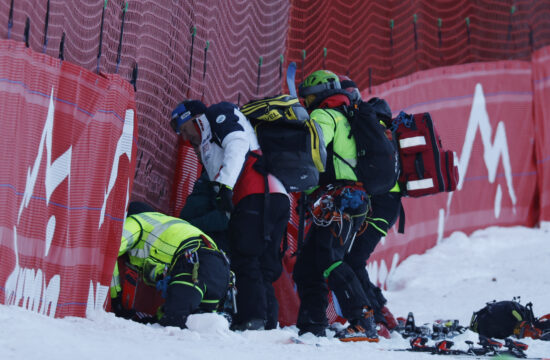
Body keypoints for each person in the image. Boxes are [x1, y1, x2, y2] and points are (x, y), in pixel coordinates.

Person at [170, 100, 290, 330]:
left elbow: (237, 143)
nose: (186, 137)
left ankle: (252, 319)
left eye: (185, 129)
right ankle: (267, 323)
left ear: (194, 119)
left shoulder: (217, 114)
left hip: (255, 194)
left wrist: (224, 186)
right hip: (275, 196)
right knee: (263, 264)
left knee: (246, 258)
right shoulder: (206, 144)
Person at [292, 69, 379, 342]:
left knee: (330, 260)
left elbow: (315, 149)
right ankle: (312, 325)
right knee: (308, 266)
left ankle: (363, 320)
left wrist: (303, 180)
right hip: (351, 199)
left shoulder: (324, 115)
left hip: (339, 200)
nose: (305, 103)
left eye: (307, 97)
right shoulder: (347, 114)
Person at [339, 77, 402, 337]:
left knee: (353, 259)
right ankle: (381, 312)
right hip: (386, 204)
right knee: (355, 258)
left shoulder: (369, 125)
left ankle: (374, 317)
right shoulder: (382, 128)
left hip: (381, 203)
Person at [110, 204, 231, 329]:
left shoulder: (136, 221)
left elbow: (111, 251)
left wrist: (116, 297)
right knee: (200, 327)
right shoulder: (168, 224)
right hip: (221, 269)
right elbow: (175, 292)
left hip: (195, 265)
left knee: (174, 324)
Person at [179, 169, 230, 253]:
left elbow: (225, 216)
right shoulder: (210, 169)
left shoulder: (229, 174)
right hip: (189, 236)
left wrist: (189, 226)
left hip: (209, 243)